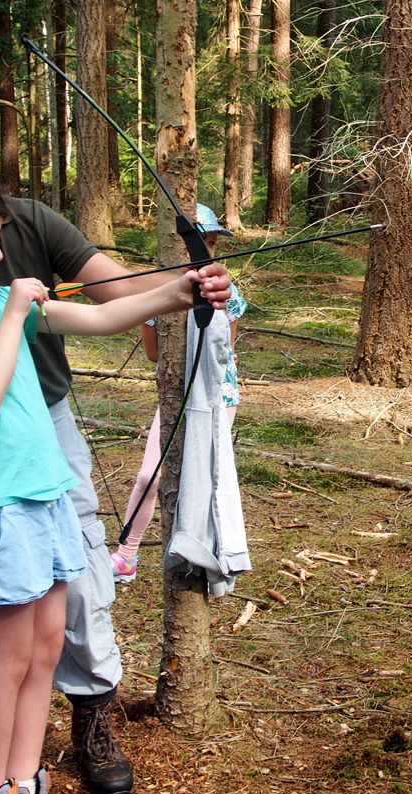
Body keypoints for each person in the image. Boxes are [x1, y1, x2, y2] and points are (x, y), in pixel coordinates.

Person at [0, 82, 231, 794]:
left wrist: (187, 289)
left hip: (41, 441)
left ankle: (78, 728)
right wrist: (17, 304)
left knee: (72, 598)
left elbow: (115, 299)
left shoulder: (19, 226)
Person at [108, 203, 248, 583]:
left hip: (217, 395)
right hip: (175, 393)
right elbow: (155, 352)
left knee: (205, 476)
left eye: (211, 243)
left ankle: (207, 555)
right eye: (199, 242)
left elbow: (225, 350)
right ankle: (126, 555)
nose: (207, 250)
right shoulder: (156, 290)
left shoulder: (223, 286)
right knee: (149, 476)